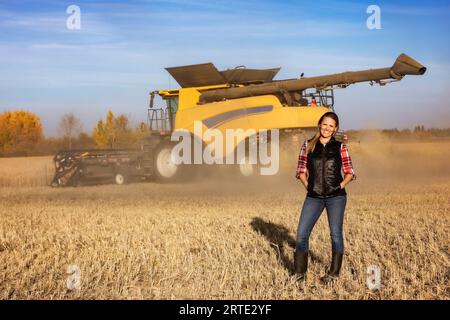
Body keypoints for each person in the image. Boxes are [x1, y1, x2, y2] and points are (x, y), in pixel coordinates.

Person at [294, 111, 356, 284]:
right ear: (319, 125)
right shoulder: (308, 145)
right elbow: (300, 170)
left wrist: (339, 186)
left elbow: (350, 172)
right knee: (301, 235)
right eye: (325, 124)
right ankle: (300, 274)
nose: (327, 128)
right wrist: (309, 186)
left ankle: (333, 274)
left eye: (331, 126)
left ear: (335, 129)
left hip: (336, 198)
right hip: (313, 197)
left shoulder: (340, 147)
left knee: (335, 235)